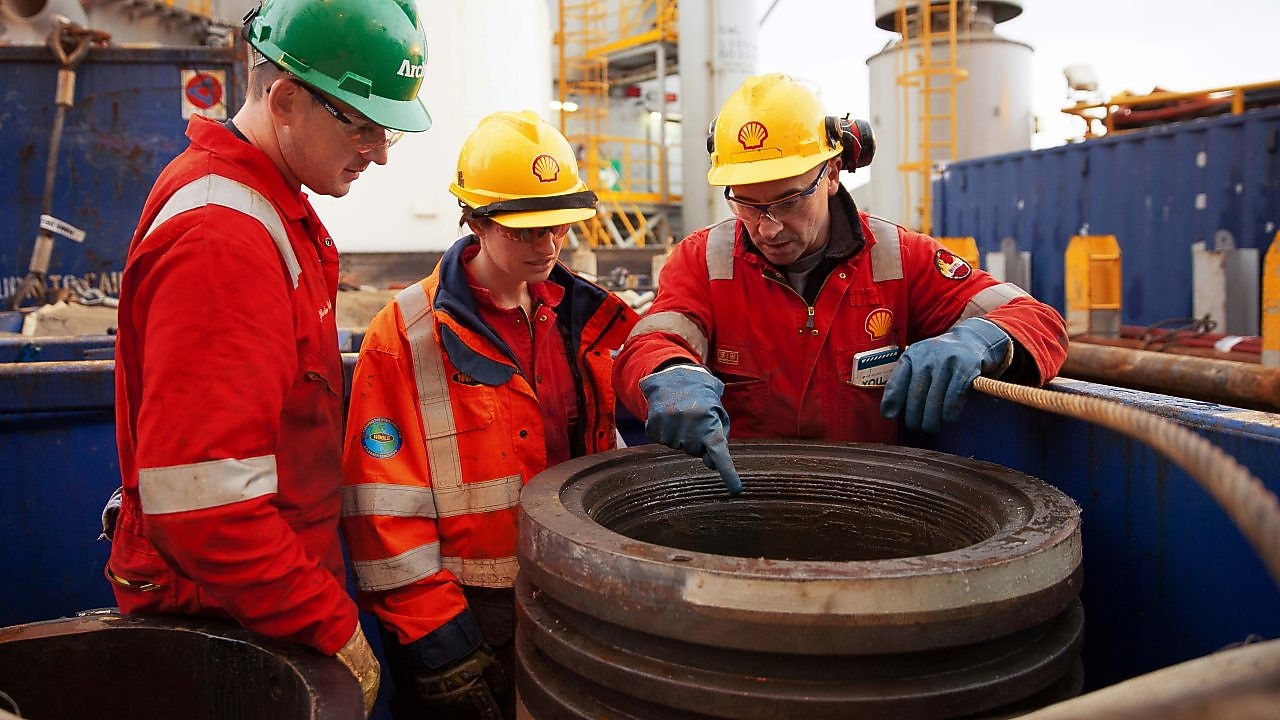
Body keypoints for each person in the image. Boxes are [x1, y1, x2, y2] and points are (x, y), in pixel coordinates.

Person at [102, 0, 431, 714]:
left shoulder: (270, 206)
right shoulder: (224, 239)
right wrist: (330, 622)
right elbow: (205, 504)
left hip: (257, 598)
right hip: (230, 617)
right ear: (284, 99)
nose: (378, 151)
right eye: (364, 124)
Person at [613, 73, 1069, 495]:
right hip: (742, 505)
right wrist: (669, 374)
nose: (767, 228)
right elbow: (653, 341)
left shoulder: (900, 258)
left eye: (787, 201)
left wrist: (983, 339)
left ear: (831, 173)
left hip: (868, 507)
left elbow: (1038, 320)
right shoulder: (704, 260)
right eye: (746, 204)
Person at [339, 110, 639, 719]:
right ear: (474, 222)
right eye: (526, 231)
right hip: (466, 612)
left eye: (557, 227)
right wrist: (436, 642)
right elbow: (383, 509)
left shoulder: (587, 319)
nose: (548, 246)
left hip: (577, 594)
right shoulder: (406, 336)